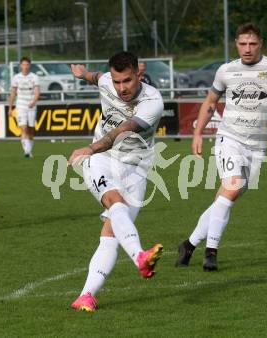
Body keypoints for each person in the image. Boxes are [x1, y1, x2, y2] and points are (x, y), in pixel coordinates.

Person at [175, 22, 267, 271]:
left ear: (261, 44)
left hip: (258, 147)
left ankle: (188, 245)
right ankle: (211, 252)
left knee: (224, 199)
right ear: (236, 43)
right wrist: (197, 133)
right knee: (231, 189)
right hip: (229, 138)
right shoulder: (226, 71)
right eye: (243, 43)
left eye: (252, 43)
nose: (247, 48)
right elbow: (210, 101)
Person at [68, 51, 164, 312]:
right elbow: (96, 77)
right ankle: (140, 257)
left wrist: (89, 146)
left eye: (127, 81)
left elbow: (122, 131)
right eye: (117, 81)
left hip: (136, 168)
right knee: (115, 202)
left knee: (110, 235)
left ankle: (86, 296)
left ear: (139, 75)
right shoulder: (106, 82)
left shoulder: (153, 101)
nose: (121, 88)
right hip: (102, 159)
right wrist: (82, 74)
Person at [8, 57, 40, 158]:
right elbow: (12, 93)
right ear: (21, 66)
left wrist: (34, 102)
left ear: (29, 66)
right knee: (23, 128)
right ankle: (27, 151)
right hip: (20, 105)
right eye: (24, 65)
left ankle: (29, 150)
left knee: (30, 129)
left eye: (27, 65)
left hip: (31, 106)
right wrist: (10, 108)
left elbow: (37, 92)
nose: (25, 67)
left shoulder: (34, 77)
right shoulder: (16, 78)